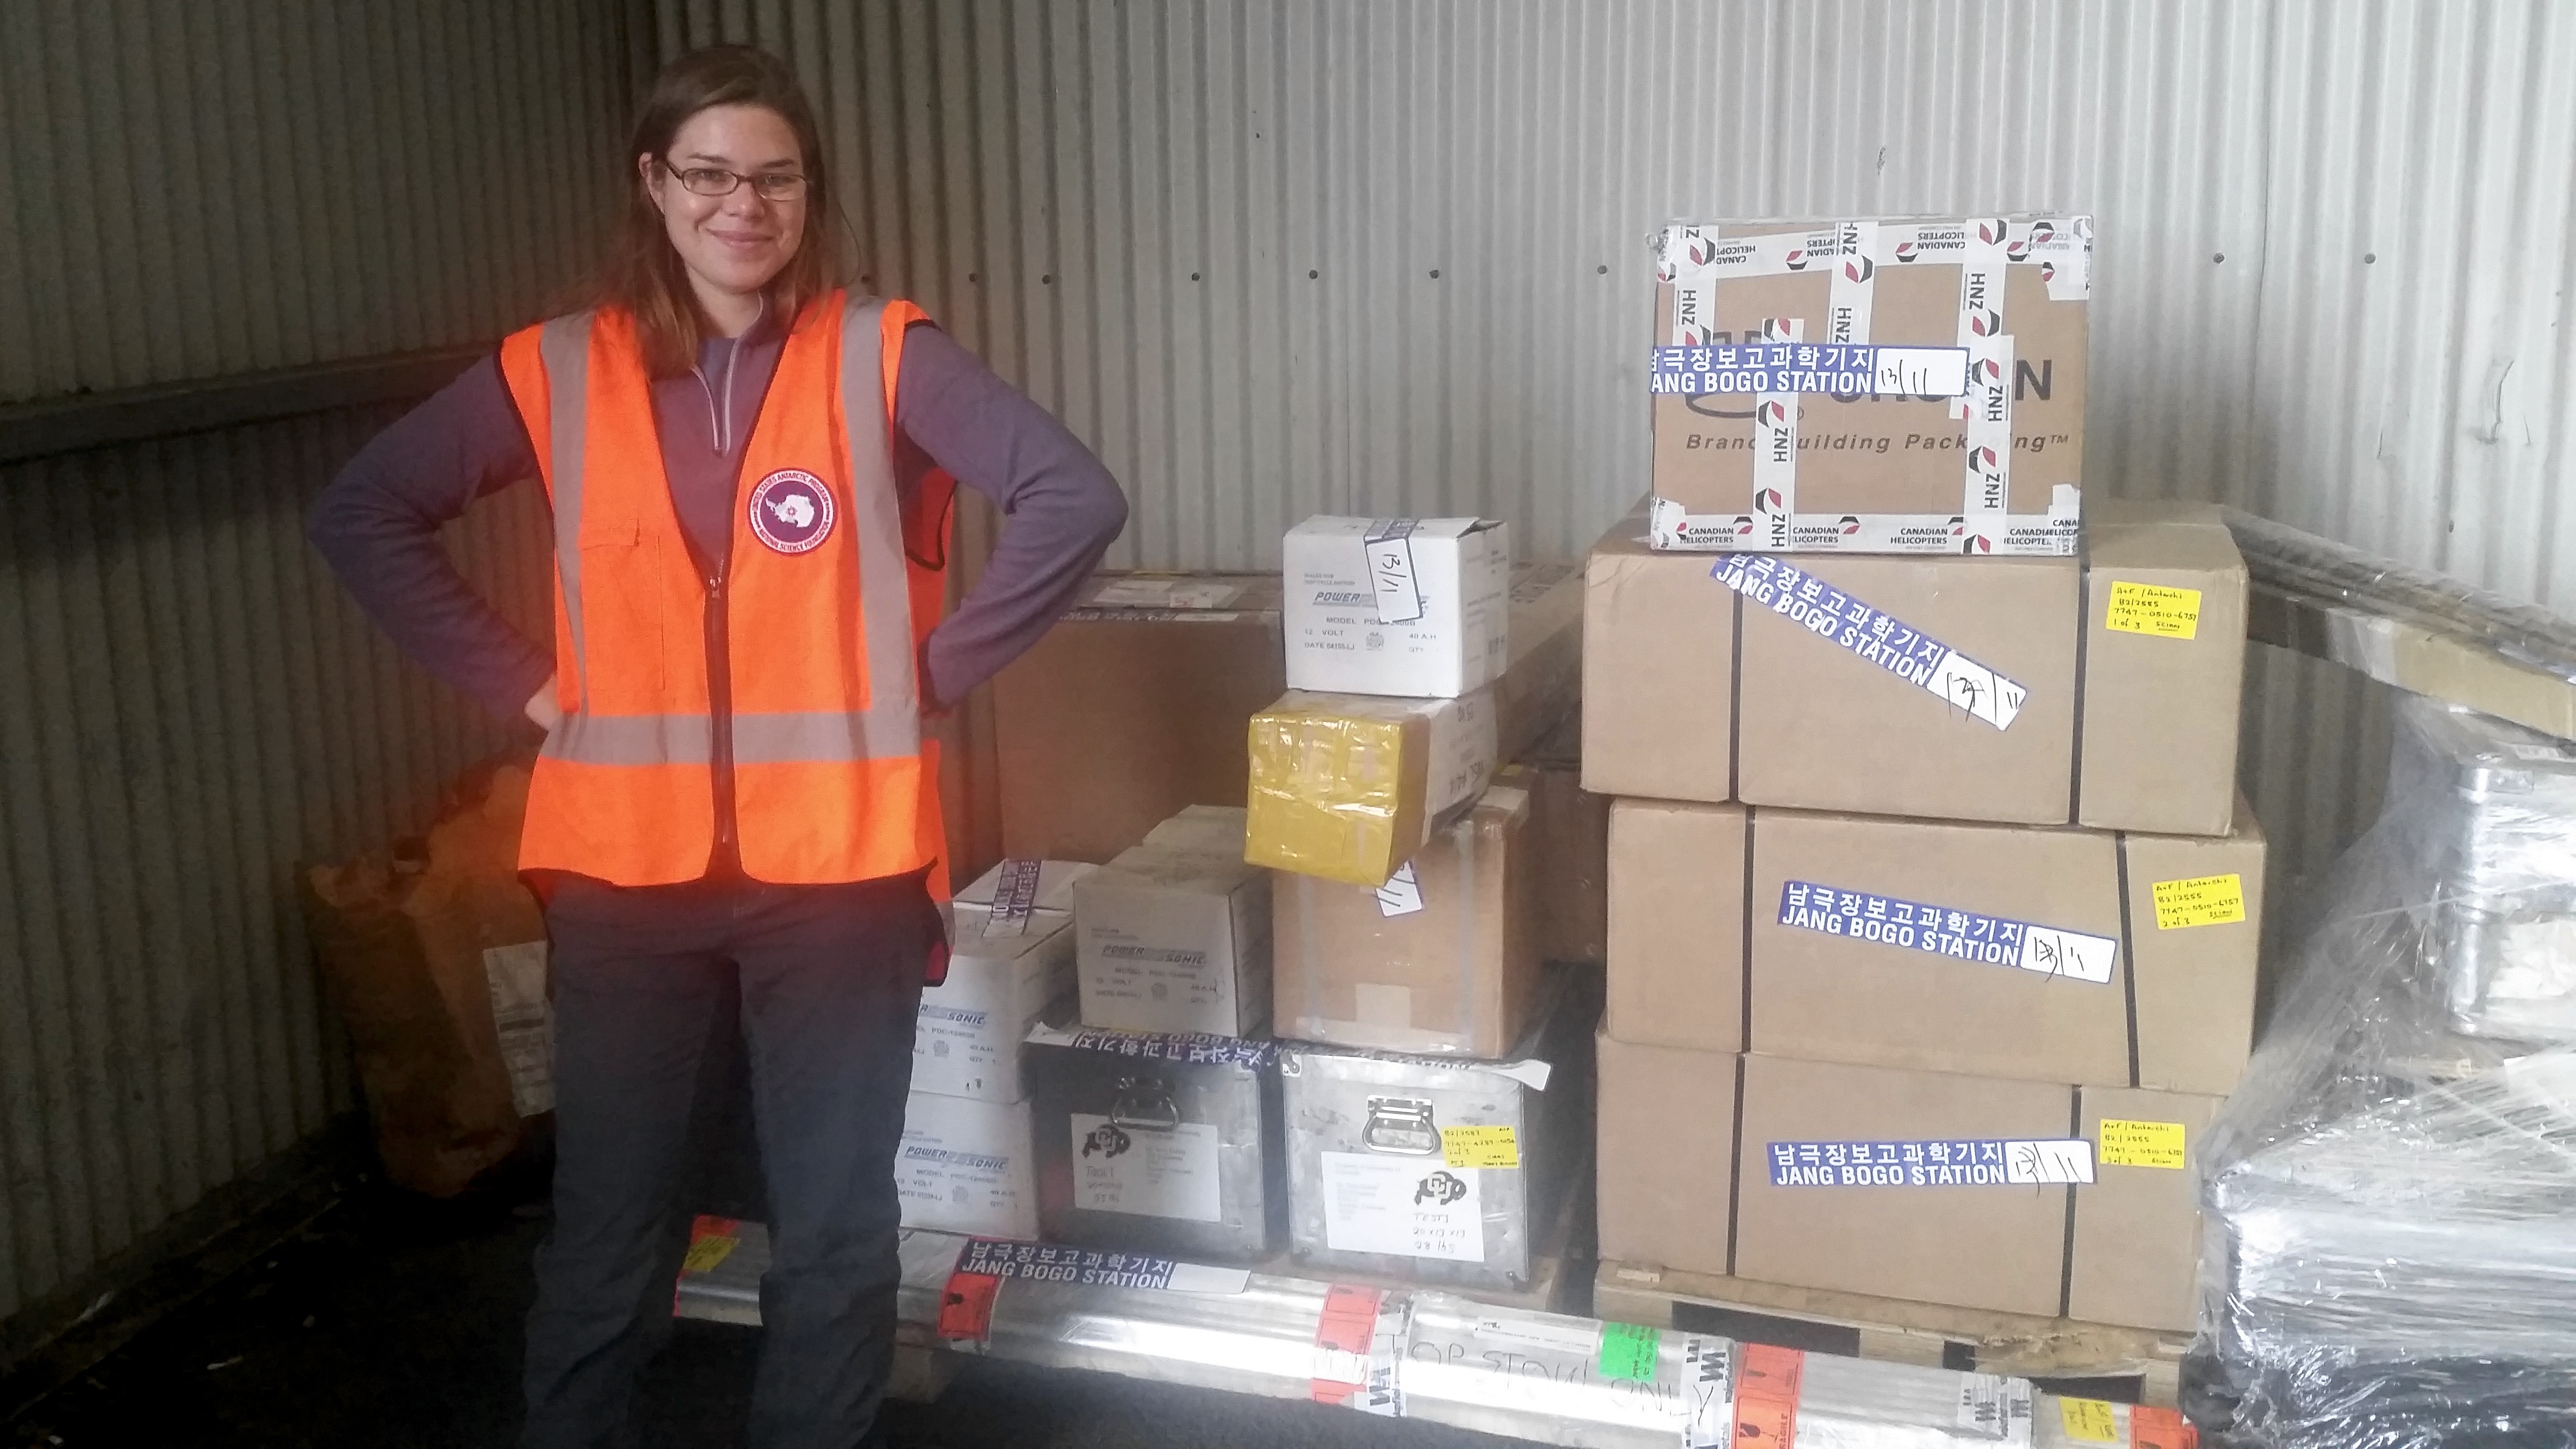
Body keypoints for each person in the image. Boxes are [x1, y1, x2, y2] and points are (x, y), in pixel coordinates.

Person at [308, 43, 1127, 1449]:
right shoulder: (559, 368)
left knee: (829, 1222)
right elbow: (364, 511)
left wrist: (933, 672)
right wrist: (523, 681)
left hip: (840, 877)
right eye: (708, 173)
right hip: (625, 884)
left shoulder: (880, 354)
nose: (742, 204)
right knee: (610, 1223)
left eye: (774, 176)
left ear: (809, 192)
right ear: (654, 183)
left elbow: (1073, 493)